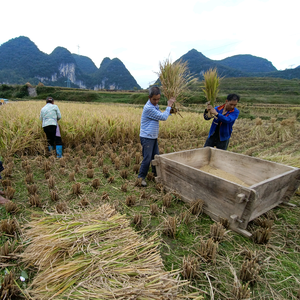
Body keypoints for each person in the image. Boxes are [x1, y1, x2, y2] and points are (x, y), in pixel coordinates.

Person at [138, 86, 176, 187]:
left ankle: (156, 174)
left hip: (153, 136)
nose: (156, 101)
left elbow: (161, 114)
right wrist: (169, 105)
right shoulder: (148, 108)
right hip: (147, 137)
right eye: (154, 99)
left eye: (158, 99)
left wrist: (170, 111)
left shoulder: (155, 106)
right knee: (147, 158)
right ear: (149, 97)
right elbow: (163, 117)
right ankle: (140, 178)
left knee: (156, 157)